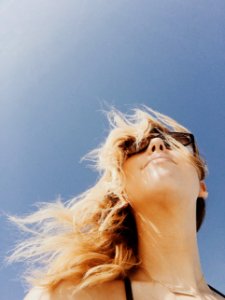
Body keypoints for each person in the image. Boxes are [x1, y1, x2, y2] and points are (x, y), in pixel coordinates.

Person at [8, 106, 224, 299]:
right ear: (120, 191)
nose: (157, 143)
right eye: (136, 147)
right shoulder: (70, 296)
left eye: (176, 141)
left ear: (201, 187)